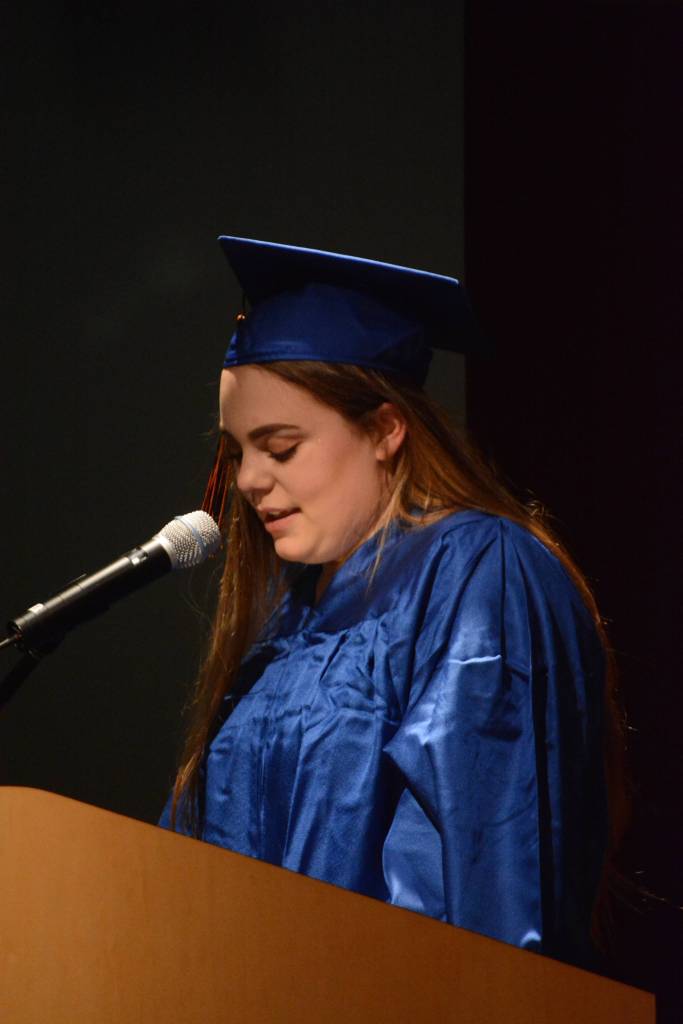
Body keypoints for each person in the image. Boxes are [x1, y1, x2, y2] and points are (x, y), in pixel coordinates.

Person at [161, 236, 623, 966]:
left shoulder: (480, 572)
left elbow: (481, 881)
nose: (248, 481)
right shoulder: (286, 625)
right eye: (236, 452)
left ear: (384, 429)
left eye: (279, 448)